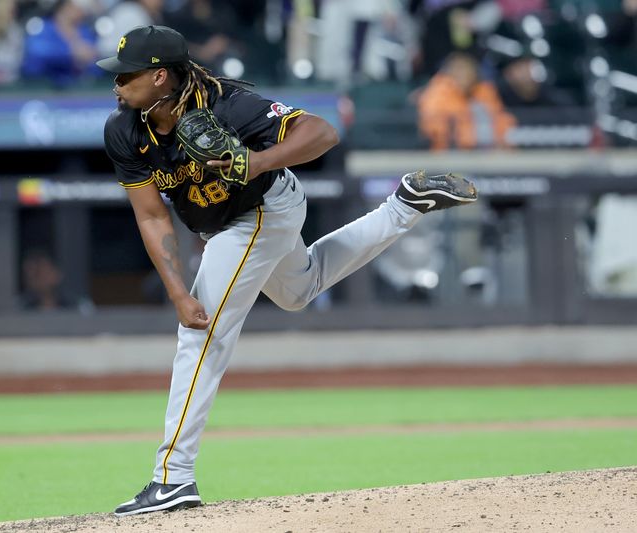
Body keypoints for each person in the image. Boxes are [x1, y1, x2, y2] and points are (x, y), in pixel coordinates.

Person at [99, 25, 478, 516]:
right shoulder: (124, 129)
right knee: (301, 289)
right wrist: (176, 289)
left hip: (263, 209)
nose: (117, 83)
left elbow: (323, 132)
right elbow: (152, 215)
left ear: (159, 77)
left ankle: (173, 479)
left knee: (202, 333)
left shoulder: (229, 106)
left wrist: (256, 162)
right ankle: (404, 205)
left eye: (127, 75)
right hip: (224, 225)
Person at [417, 52, 516, 150]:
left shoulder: (485, 91)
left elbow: (502, 120)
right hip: (448, 155)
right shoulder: (437, 93)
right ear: (449, 72)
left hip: (487, 154)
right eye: (459, 69)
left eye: (468, 69)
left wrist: (503, 142)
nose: (464, 74)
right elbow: (434, 129)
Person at [21, 0, 100, 85]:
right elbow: (34, 52)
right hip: (41, 85)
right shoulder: (42, 27)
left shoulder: (85, 31)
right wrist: (70, 53)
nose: (81, 11)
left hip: (76, 87)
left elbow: (95, 62)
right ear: (63, 7)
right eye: (73, 7)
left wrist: (88, 60)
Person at [19, 248, 94, 313]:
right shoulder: (19, 309)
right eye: (29, 274)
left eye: (39, 273)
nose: (34, 278)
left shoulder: (79, 307)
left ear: (57, 273)